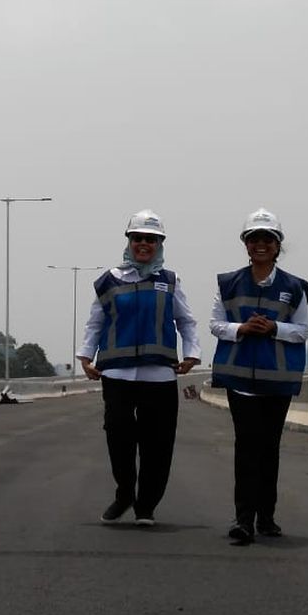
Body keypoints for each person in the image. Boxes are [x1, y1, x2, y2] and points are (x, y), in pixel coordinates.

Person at [78, 209, 201, 527]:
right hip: (117, 375)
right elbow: (96, 322)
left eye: (151, 239)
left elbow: (186, 321)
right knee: (118, 437)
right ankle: (124, 495)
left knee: (158, 444)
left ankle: (146, 505)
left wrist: (192, 354)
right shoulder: (108, 281)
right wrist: (85, 357)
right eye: (138, 239)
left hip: (159, 375)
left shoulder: (170, 281)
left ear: (160, 244)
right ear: (129, 242)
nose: (144, 244)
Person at [210, 208, 308, 545]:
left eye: (267, 239)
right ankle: (244, 521)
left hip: (277, 382)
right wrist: (241, 328)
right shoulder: (228, 283)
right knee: (246, 448)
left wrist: (274, 328)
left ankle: (267, 517)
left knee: (269, 450)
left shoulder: (294, 287)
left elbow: (302, 331)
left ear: (277, 245)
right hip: (240, 383)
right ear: (246, 245)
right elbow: (215, 324)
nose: (261, 244)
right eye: (254, 239)